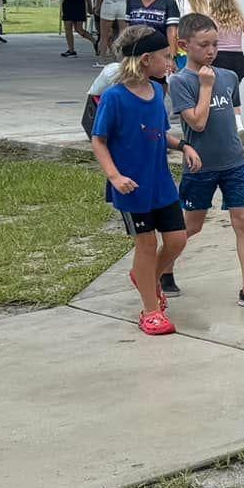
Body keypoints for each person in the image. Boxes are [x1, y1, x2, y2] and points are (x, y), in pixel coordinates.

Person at [156, 14, 244, 311]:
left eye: (215, 44)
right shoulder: (181, 82)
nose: (211, 51)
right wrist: (206, 86)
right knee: (192, 226)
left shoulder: (229, 77)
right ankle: (159, 270)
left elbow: (234, 114)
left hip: (234, 163)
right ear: (184, 45)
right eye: (204, 45)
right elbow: (197, 124)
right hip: (201, 167)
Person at [91, 26, 200, 336]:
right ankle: (150, 310)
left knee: (177, 240)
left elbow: (159, 133)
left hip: (160, 182)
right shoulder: (114, 97)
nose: (170, 62)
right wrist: (114, 176)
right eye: (166, 57)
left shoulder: (156, 93)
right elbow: (99, 140)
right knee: (147, 244)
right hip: (132, 186)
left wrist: (183, 146)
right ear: (146, 59)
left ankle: (145, 276)